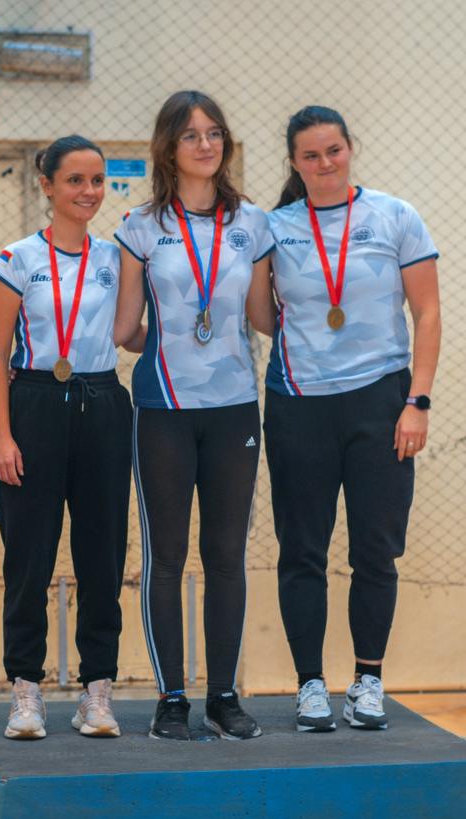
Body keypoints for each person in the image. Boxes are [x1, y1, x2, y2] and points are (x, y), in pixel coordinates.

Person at [257, 105, 441, 733]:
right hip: (298, 404)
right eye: (310, 155)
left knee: (376, 552)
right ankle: (310, 685)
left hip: (381, 401)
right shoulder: (275, 227)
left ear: (350, 148)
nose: (324, 163)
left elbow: (428, 313)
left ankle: (368, 680)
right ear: (294, 162)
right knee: (301, 551)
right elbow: (262, 313)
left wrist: (417, 401)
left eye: (333, 150)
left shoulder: (395, 216)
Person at [114, 91, 275, 741]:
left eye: (214, 133)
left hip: (234, 407)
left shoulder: (253, 224)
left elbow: (262, 316)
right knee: (167, 554)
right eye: (190, 135)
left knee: (226, 553)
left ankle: (224, 697)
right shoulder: (139, 226)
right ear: (168, 147)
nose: (205, 144)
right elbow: (125, 328)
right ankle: (172, 699)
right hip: (164, 409)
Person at [0, 135, 129, 740]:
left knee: (103, 556)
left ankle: (97, 691)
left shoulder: (116, 258)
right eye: (75, 180)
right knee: (29, 557)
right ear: (46, 185)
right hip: (35, 403)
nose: (88, 192)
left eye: (97, 180)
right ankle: (26, 690)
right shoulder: (17, 258)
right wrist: (2, 436)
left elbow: (130, 331)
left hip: (102, 402)